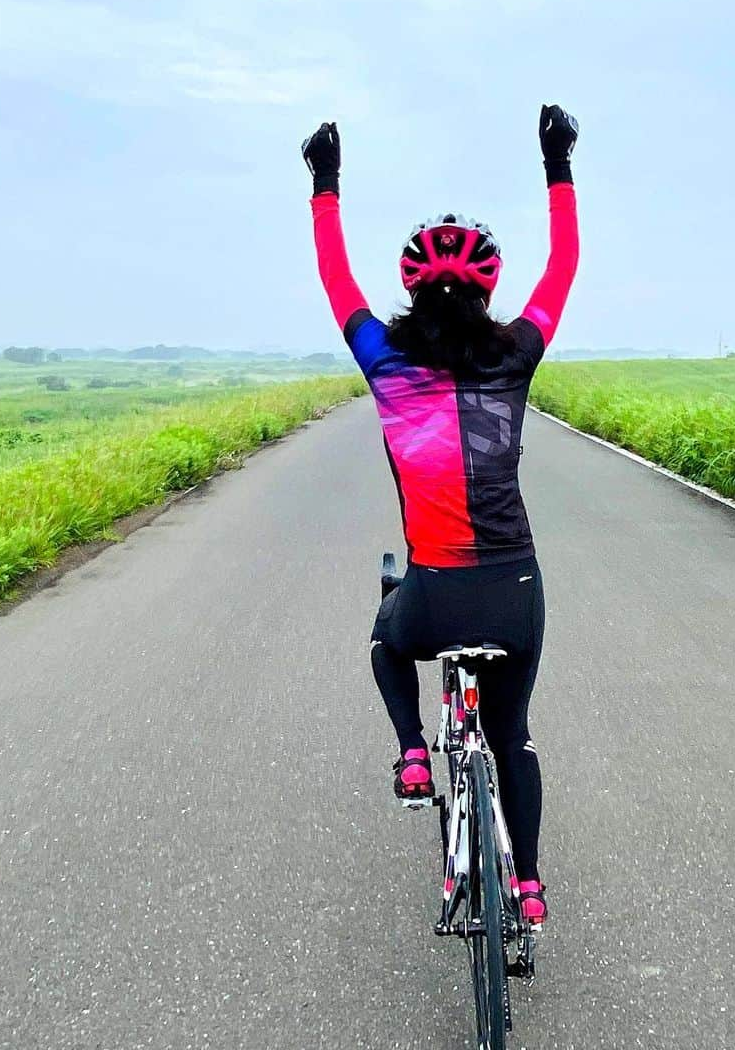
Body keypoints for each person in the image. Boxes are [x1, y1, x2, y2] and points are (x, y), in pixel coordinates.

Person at [302, 104, 579, 924]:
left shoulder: (383, 361)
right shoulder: (515, 354)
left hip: (436, 590)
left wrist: (324, 182)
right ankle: (527, 888)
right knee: (512, 735)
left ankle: (414, 756)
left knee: (389, 637)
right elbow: (563, 268)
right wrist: (557, 163)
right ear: (487, 286)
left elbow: (335, 278)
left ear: (413, 286)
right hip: (514, 589)